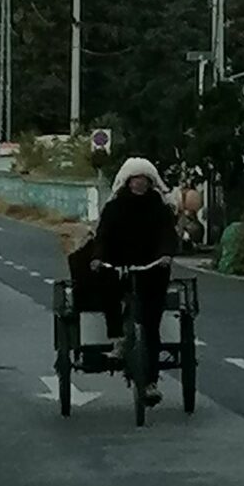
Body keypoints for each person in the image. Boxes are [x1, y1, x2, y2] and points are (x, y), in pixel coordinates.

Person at [93, 158, 178, 406]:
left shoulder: (160, 209)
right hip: (119, 268)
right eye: (135, 178)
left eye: (144, 179)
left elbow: (167, 235)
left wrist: (165, 255)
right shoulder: (114, 208)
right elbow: (103, 236)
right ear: (127, 181)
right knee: (105, 286)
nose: (140, 182)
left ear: (151, 182)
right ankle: (118, 338)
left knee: (151, 326)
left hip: (152, 271)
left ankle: (150, 382)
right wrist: (99, 258)